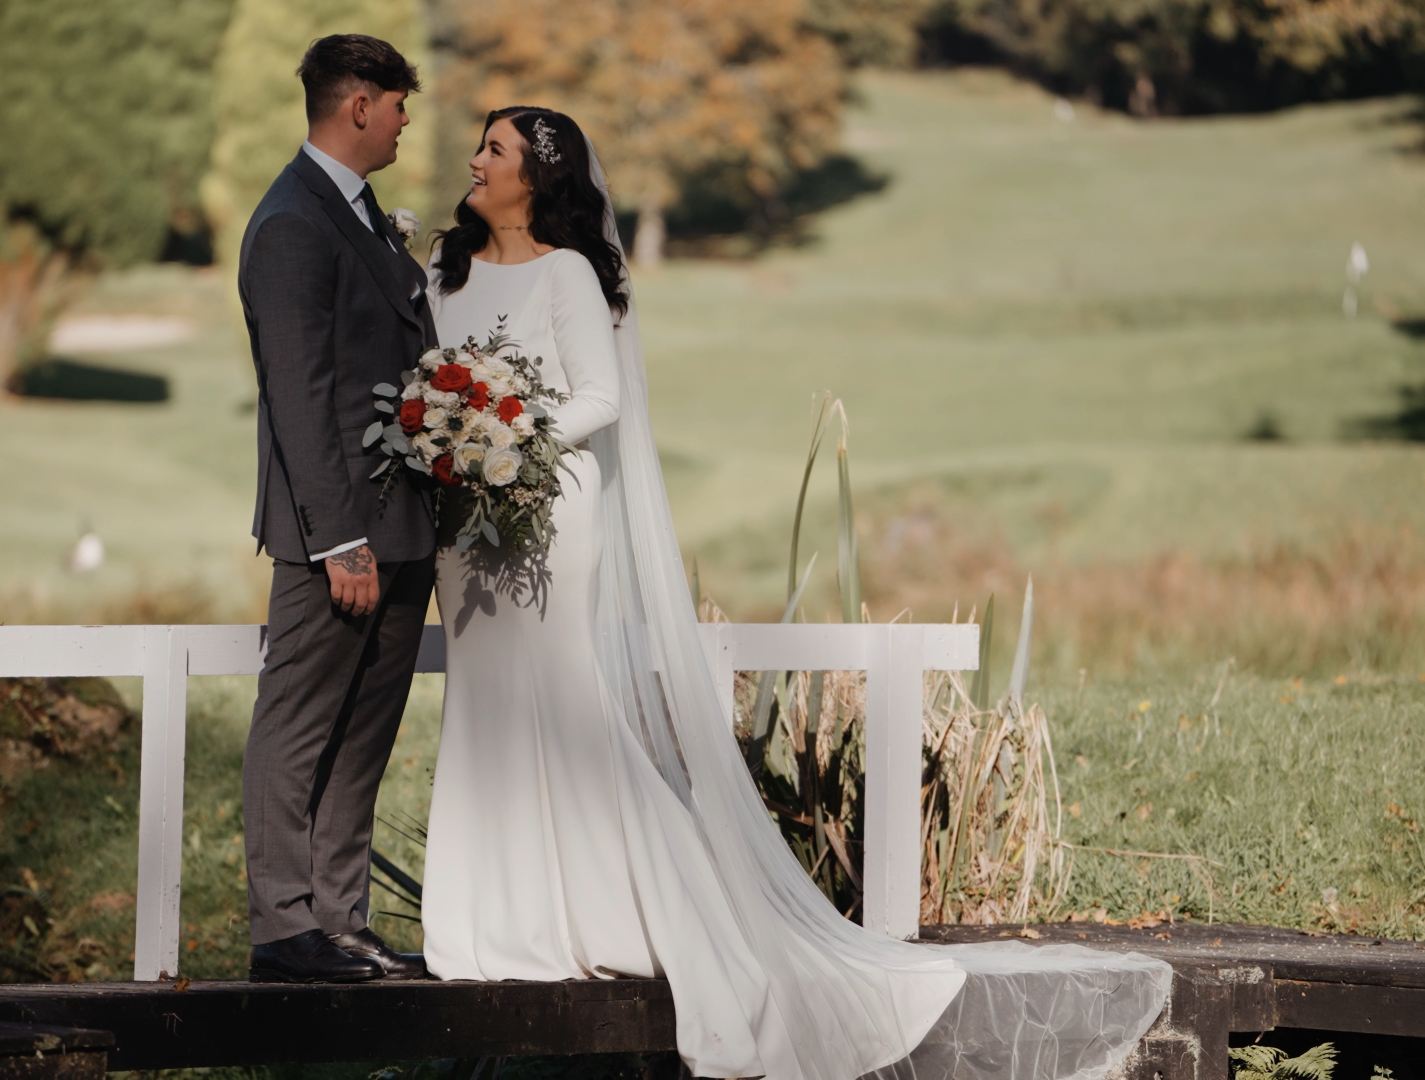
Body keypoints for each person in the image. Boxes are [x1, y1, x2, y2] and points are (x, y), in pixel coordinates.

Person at [419, 107, 1174, 1080]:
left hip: (551, 511)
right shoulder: (443, 269)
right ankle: (487, 924)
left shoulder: (567, 273)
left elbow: (599, 397)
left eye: (496, 150)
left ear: (540, 179)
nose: (475, 162)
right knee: (481, 704)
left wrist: (508, 439)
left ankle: (613, 913)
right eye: (479, 147)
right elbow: (428, 376)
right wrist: (446, 439)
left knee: (564, 698)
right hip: (462, 527)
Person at [236, 34, 436, 985]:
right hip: (340, 536)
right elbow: (300, 394)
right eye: (400, 104)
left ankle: (340, 919)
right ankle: (283, 927)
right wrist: (340, 539)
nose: (407, 121)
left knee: (365, 731)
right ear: (359, 105)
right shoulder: (290, 225)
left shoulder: (361, 218)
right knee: (300, 723)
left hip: (404, 528)